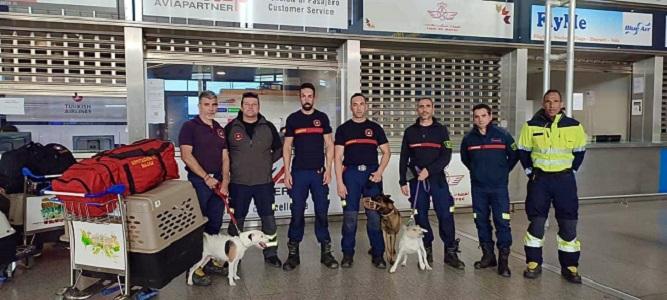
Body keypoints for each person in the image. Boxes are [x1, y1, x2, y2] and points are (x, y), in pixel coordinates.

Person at [517, 89, 587, 284]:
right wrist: (531, 173)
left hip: (564, 181)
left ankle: (570, 266)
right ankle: (533, 263)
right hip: (540, 181)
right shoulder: (531, 126)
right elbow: (523, 151)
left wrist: (570, 171)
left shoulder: (574, 126)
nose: (551, 105)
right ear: (543, 103)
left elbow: (580, 151)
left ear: (561, 103)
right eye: (548, 101)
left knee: (568, 223)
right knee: (537, 223)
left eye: (555, 101)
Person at [398, 97, 465, 269]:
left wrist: (430, 170)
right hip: (417, 180)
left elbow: (446, 155)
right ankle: (426, 248)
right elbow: (404, 157)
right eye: (421, 107)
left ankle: (450, 251)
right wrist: (402, 180)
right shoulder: (410, 131)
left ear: (433, 109)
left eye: (428, 106)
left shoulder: (441, 130)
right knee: (420, 215)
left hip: (437, 180)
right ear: (417, 109)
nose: (424, 109)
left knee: (445, 214)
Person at [282, 83, 339, 271]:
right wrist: (287, 172)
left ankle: (326, 251)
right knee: (297, 213)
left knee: (322, 212)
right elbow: (287, 146)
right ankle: (293, 254)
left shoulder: (321, 118)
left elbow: (330, 145)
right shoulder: (293, 119)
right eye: (303, 96)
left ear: (314, 98)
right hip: (298, 173)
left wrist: (329, 169)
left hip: (318, 174)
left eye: (310, 96)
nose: (307, 99)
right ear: (300, 97)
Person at [223, 92, 283, 267]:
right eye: (247, 104)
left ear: (259, 107)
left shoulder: (268, 127)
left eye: (254, 104)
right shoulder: (231, 128)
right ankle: (231, 255)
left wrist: (266, 162)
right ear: (241, 107)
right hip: (238, 184)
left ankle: (270, 253)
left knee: (269, 220)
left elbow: (278, 150)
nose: (250, 107)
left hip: (263, 183)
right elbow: (224, 153)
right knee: (236, 221)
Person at [460, 104, 518, 277]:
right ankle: (488, 256)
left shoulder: (503, 135)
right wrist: (478, 172)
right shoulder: (469, 139)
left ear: (490, 116)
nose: (480, 119)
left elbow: (514, 156)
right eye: (476, 116)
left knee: (502, 222)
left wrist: (502, 171)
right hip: (479, 188)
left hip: (499, 188)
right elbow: (466, 159)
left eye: (483, 115)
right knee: (481, 221)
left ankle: (503, 262)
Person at [334, 93, 391, 268]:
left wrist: (380, 171)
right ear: (351, 107)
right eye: (355, 104)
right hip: (350, 176)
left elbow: (386, 152)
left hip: (371, 177)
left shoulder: (375, 128)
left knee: (374, 217)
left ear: (366, 106)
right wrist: (340, 183)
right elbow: (337, 157)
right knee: (350, 218)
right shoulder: (343, 129)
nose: (358, 107)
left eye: (361, 104)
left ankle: (378, 254)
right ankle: (348, 254)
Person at [178, 90, 230, 286]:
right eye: (207, 105)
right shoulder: (189, 127)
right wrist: (206, 177)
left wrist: (225, 181)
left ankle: (207, 262)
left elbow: (225, 157)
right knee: (198, 226)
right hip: (199, 182)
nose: (211, 108)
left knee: (214, 225)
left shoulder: (219, 128)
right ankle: (193, 268)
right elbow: (186, 155)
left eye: (214, 104)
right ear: (199, 106)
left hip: (218, 184)